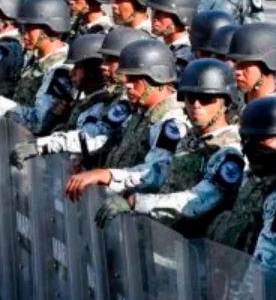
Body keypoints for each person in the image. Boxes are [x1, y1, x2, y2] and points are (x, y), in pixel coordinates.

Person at [94, 58, 245, 234]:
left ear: (225, 103)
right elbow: (157, 173)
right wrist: (110, 177)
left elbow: (197, 201)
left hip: (195, 244)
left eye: (206, 99)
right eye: (190, 98)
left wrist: (135, 202)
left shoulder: (230, 151)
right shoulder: (189, 139)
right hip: (166, 235)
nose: (196, 105)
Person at [65, 39, 189, 204]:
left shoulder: (172, 122)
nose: (128, 85)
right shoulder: (140, 112)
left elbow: (155, 173)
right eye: (127, 78)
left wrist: (105, 175)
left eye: (135, 80)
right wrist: (87, 159)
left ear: (158, 80)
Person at [208, 97, 276, 276]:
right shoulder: (253, 177)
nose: (249, 147)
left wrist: (244, 295)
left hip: (256, 288)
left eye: (259, 140)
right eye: (246, 139)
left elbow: (269, 264)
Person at [8, 33, 114, 166]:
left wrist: (39, 146)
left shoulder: (102, 105)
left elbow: (86, 138)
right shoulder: (84, 102)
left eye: (78, 68)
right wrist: (59, 117)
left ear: (94, 71)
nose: (71, 73)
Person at [0, 0, 71, 135]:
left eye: (29, 27)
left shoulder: (60, 71)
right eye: (22, 27)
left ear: (49, 29)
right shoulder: (37, 58)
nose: (23, 33)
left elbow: (38, 123)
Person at [227, 22, 276, 104]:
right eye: (235, 63)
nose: (237, 71)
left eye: (245, 64)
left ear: (267, 67)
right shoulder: (226, 96)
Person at [147, 0, 197, 74]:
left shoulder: (186, 55)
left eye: (162, 13)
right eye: (154, 11)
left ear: (180, 17)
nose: (155, 18)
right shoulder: (155, 44)